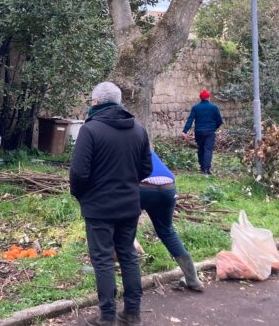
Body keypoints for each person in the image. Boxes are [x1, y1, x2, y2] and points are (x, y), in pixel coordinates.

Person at [70, 82, 152, 326]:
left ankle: (107, 317)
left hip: (99, 208)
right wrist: (127, 183)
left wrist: (80, 195)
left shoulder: (91, 129)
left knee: (103, 259)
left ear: (96, 102)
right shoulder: (138, 129)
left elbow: (79, 173)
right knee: (128, 256)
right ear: (117, 102)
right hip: (129, 206)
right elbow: (147, 168)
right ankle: (132, 313)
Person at [140, 150, 204, 292]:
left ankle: (126, 273)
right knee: (167, 231)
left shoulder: (120, 147)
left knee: (125, 229)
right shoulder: (140, 141)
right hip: (168, 186)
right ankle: (193, 279)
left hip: (143, 188)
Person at [182, 89, 223, 175]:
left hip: (199, 132)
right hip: (210, 132)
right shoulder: (214, 107)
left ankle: (202, 166)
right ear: (208, 97)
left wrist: (185, 131)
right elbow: (219, 120)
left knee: (201, 148)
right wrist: (214, 128)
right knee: (208, 149)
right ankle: (207, 169)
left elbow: (190, 120)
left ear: (200, 98)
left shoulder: (195, 108)